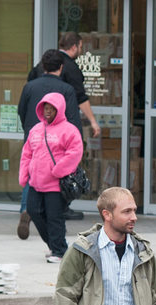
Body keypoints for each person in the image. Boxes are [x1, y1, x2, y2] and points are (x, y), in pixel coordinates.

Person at [26, 32, 100, 224]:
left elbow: (24, 104)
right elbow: (80, 98)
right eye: (81, 47)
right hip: (58, 133)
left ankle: (28, 207)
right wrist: (91, 121)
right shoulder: (70, 70)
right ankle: (60, 208)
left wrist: (30, 127)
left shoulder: (38, 70)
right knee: (61, 168)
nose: (81, 51)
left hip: (35, 130)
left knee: (34, 167)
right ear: (74, 47)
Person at [16, 49, 79, 241]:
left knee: (32, 175)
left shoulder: (30, 87)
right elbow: (74, 120)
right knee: (54, 196)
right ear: (61, 68)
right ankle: (55, 227)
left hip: (34, 138)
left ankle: (27, 209)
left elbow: (21, 111)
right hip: (58, 149)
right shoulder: (66, 90)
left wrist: (31, 128)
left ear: (43, 67)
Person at [19, 92, 83, 263]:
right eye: (45, 108)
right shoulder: (36, 130)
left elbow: (75, 152)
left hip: (55, 184)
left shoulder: (69, 130)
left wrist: (58, 170)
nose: (47, 111)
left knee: (54, 217)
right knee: (33, 211)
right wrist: (24, 174)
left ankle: (59, 251)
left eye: (51, 109)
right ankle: (55, 245)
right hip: (36, 182)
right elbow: (27, 153)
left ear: (59, 110)